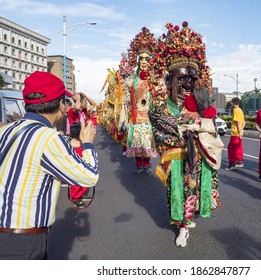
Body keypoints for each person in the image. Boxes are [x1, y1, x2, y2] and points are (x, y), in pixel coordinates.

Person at [0, 71, 99, 259]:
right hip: (22, 241)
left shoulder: (7, 130)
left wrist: (69, 142)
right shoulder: (49, 138)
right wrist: (87, 144)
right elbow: (89, 175)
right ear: (62, 105)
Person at [148, 21, 223, 247]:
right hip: (180, 158)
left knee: (198, 191)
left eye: (192, 79)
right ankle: (182, 226)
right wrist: (189, 127)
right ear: (170, 80)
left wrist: (198, 124)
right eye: (182, 79)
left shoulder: (198, 104)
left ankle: (187, 220)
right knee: (180, 191)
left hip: (199, 157)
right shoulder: (159, 107)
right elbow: (164, 133)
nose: (188, 84)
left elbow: (209, 123)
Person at [122, 27, 158, 173]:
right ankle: (139, 164)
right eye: (141, 58)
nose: (143, 61)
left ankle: (147, 164)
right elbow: (125, 102)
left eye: (146, 59)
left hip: (148, 117)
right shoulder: (131, 81)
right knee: (137, 142)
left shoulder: (155, 81)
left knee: (146, 142)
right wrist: (126, 119)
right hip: (136, 117)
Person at [225, 97, 245, 170]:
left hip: (235, 133)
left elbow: (238, 122)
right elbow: (243, 122)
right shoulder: (240, 110)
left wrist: (239, 131)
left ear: (233, 103)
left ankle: (232, 163)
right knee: (238, 147)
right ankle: (239, 161)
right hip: (239, 132)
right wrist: (241, 131)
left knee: (231, 148)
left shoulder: (235, 110)